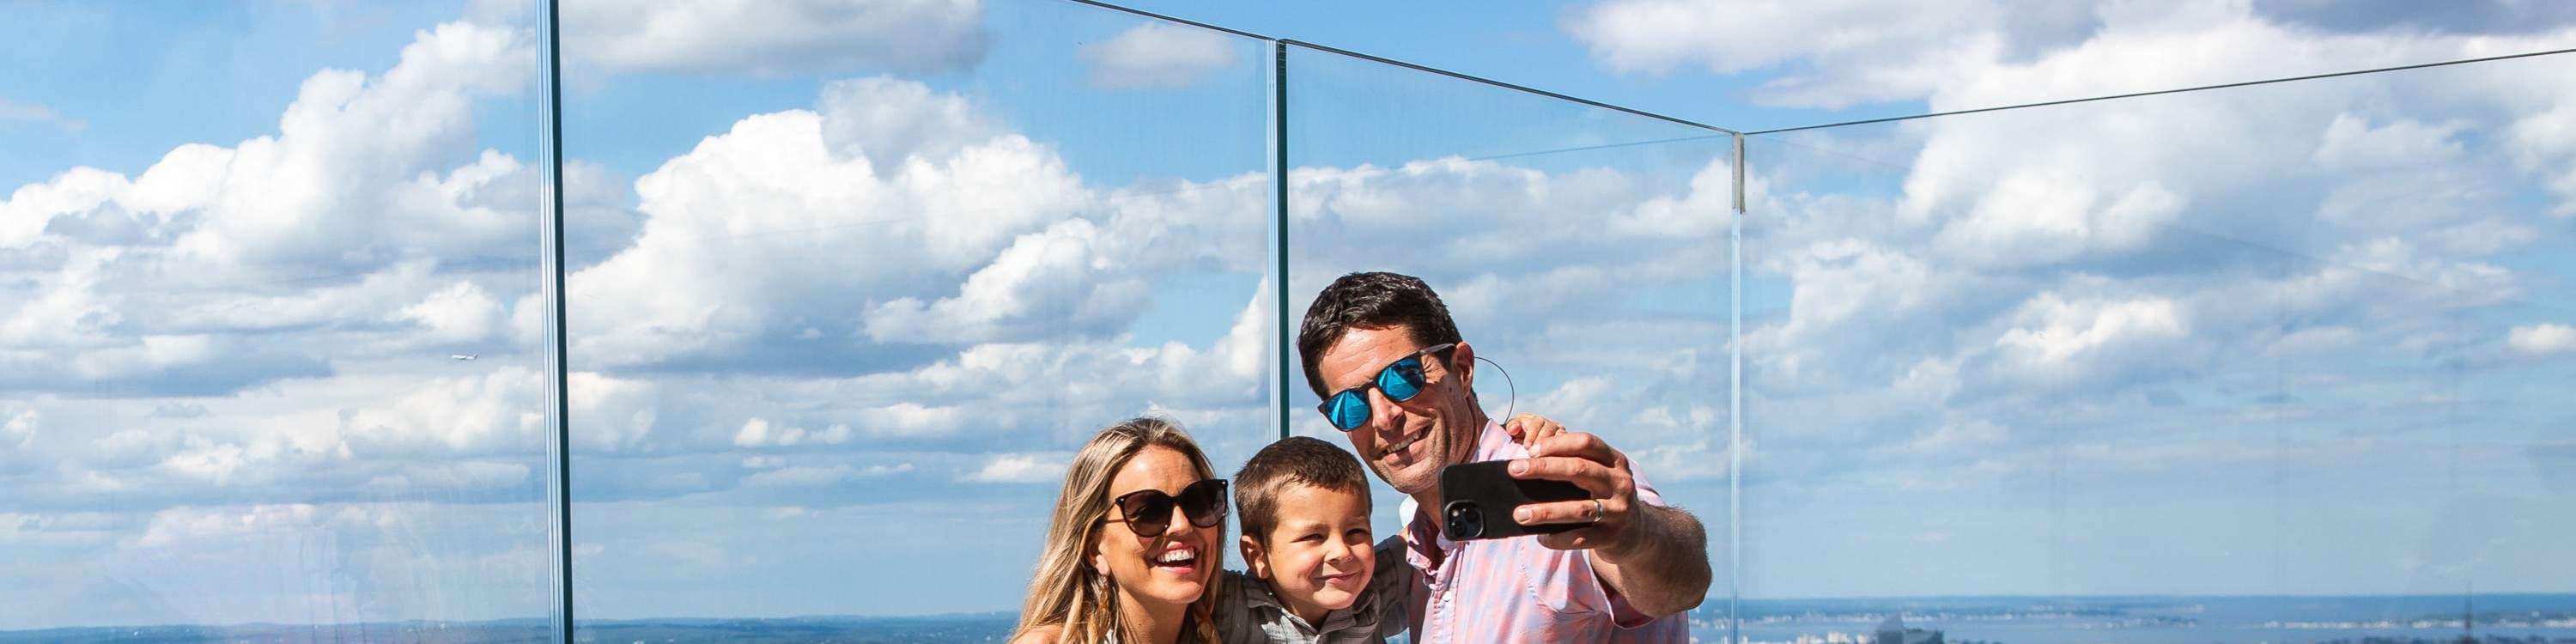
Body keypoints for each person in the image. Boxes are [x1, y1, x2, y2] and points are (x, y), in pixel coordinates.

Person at [1297, 271, 1712, 642]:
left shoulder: (1545, 484)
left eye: (1404, 378)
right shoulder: (1422, 544)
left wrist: (1635, 535)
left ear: (1461, 368)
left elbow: (1678, 583)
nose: (1384, 418)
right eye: (1350, 406)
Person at [1012, 417, 1230, 644]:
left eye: (1197, 502)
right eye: (1150, 512)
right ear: (1095, 549)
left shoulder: (1244, 623)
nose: (1182, 525)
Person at [1213, 436, 1409, 644]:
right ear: (1257, 556)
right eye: (1314, 536)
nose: (1341, 552)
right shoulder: (1227, 603)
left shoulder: (1372, 590)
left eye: (1355, 532)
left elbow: (1426, 531)